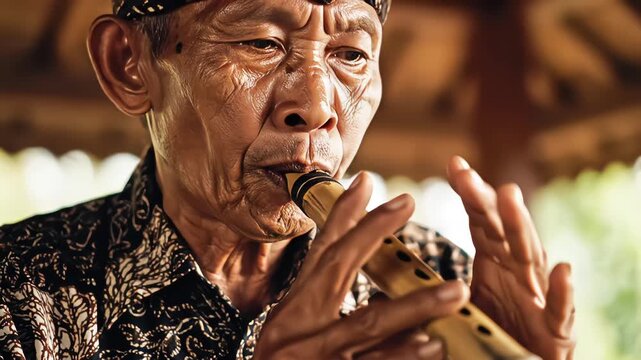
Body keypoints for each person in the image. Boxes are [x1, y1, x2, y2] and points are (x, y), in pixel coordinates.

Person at [0, 0, 575, 359]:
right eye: (262, 43)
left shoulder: (444, 281)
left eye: (350, 54)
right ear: (128, 64)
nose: (318, 104)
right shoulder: (20, 294)